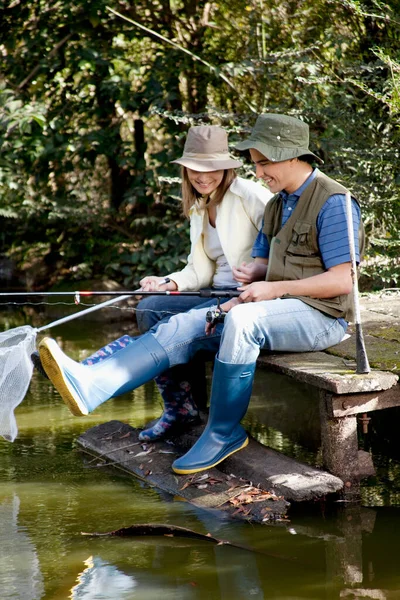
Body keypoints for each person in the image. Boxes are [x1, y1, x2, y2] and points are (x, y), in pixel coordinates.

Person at [38, 113, 364, 476]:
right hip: (275, 307)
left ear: (290, 156)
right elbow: (261, 263)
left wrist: (271, 288)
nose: (257, 172)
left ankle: (223, 432)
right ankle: (94, 384)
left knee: (241, 319)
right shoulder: (278, 204)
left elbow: (342, 281)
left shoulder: (334, 201)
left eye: (262, 163)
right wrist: (255, 277)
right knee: (184, 323)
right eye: (255, 164)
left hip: (322, 318)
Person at [33, 125, 271, 441]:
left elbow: (285, 253)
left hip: (250, 297)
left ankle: (92, 373)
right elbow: (198, 270)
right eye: (194, 169)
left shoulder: (252, 197)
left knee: (171, 324)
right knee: (151, 307)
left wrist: (260, 272)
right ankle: (179, 408)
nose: (202, 176)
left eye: (211, 168)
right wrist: (168, 282)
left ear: (226, 168)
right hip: (215, 291)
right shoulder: (201, 206)